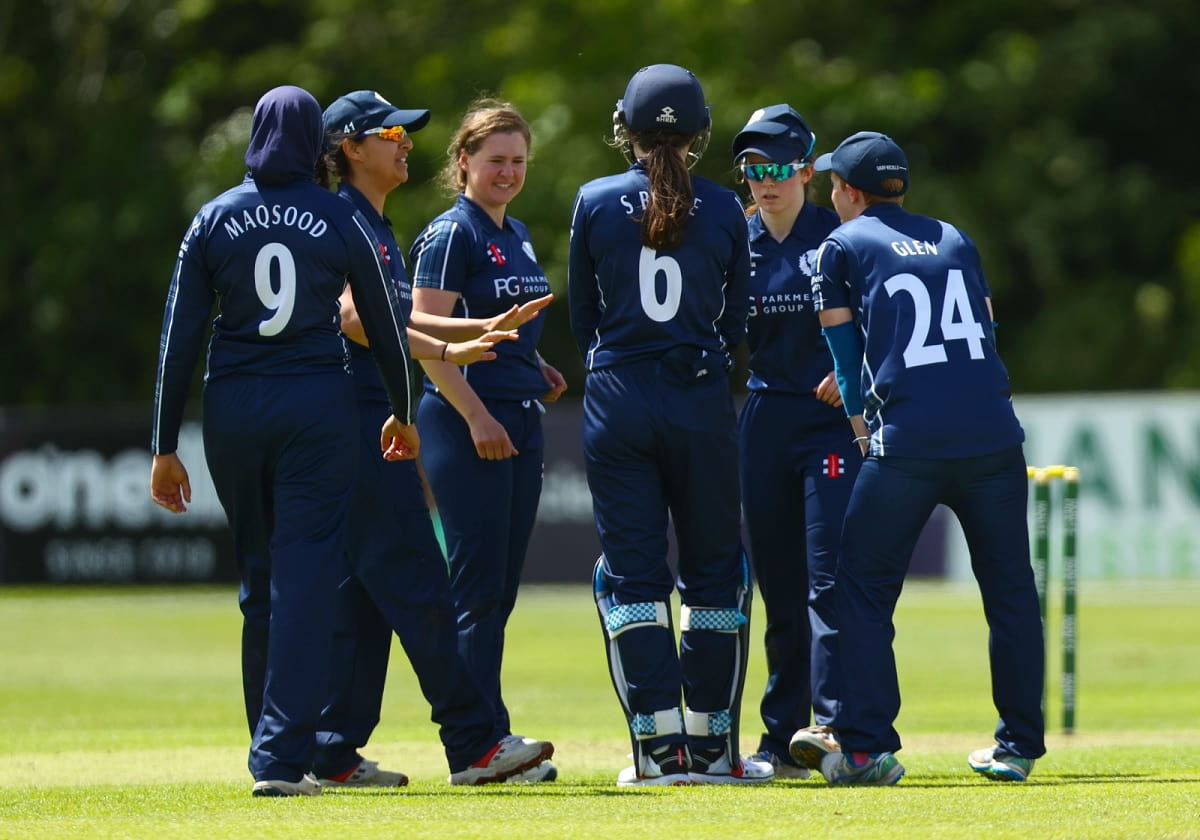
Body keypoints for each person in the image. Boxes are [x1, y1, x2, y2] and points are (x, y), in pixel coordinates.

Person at [149, 85, 422, 797]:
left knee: (258, 582)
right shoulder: (337, 215)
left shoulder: (212, 219)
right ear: (316, 145)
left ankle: (272, 747)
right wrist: (402, 408)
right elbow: (385, 326)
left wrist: (162, 443)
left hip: (234, 409)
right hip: (316, 409)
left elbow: (179, 337)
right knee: (306, 582)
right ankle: (280, 760)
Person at [311, 90, 555, 788]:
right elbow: (359, 319)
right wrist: (458, 361)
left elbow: (396, 322)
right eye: (391, 132)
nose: (404, 142)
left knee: (365, 591)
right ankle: (477, 744)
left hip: (377, 418)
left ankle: (329, 750)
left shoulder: (377, 223)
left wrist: (476, 337)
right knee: (427, 585)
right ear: (351, 147)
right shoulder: (355, 218)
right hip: (359, 420)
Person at [788, 131, 1045, 785]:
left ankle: (870, 748)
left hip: (907, 443)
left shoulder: (839, 246)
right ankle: (1017, 747)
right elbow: (984, 329)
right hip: (992, 436)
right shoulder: (954, 237)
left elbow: (846, 362)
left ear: (848, 191)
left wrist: (861, 433)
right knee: (1012, 593)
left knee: (862, 593)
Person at [567, 63, 773, 787]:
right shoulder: (724, 208)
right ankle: (715, 746)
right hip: (699, 396)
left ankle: (656, 750)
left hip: (618, 396)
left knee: (633, 579)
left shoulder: (593, 200)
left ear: (623, 128)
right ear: (698, 132)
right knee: (717, 574)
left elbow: (582, 320)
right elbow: (737, 320)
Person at [409, 98, 567, 783]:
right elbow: (424, 342)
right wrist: (475, 414)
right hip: (465, 422)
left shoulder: (519, 231)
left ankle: (492, 736)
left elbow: (501, 329)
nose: (508, 172)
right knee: (475, 589)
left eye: (518, 161)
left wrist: (534, 366)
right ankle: (474, 747)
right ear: (463, 161)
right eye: (495, 160)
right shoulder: (452, 235)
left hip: (516, 415)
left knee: (497, 589)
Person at [729, 105, 860, 780]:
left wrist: (855, 368)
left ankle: (835, 726)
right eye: (753, 170)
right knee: (778, 585)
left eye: (779, 168)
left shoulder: (839, 234)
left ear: (808, 170)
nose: (766, 182)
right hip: (765, 419)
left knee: (827, 577)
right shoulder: (736, 239)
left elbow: (885, 315)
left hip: (829, 425)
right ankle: (780, 739)